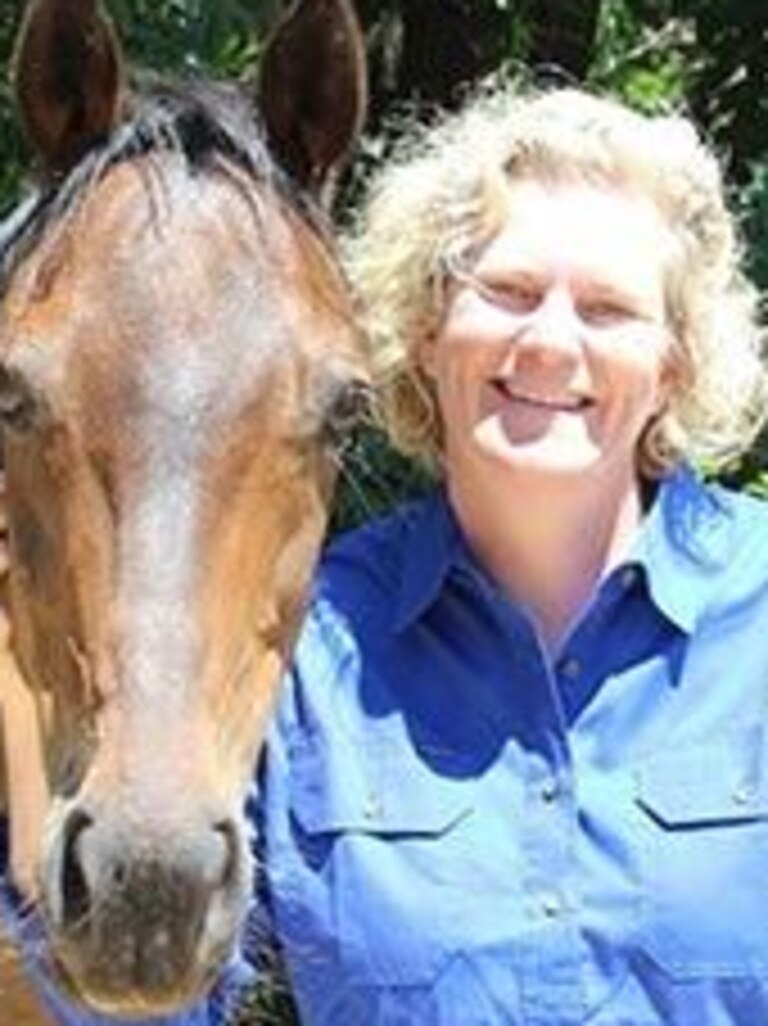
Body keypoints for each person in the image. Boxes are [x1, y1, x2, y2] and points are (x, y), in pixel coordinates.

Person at [6, 83, 768, 1025]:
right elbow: (140, 1005)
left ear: (675, 364)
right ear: (424, 330)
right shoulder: (314, 652)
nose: (550, 341)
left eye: (609, 310)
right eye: (510, 292)